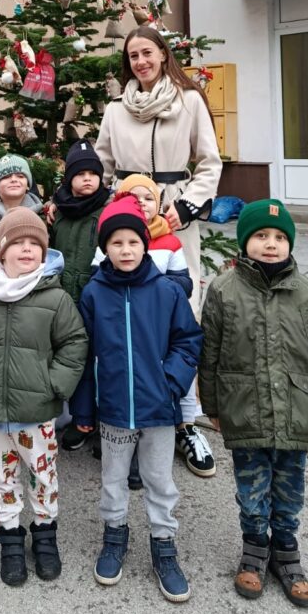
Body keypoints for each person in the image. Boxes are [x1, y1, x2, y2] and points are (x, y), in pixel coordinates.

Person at [94, 26, 222, 469]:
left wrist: (183, 209)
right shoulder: (115, 110)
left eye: (146, 52)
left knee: (177, 317)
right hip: (128, 227)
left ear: (163, 54)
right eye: (132, 56)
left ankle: (185, 424)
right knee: (129, 316)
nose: (140, 62)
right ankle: (126, 422)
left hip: (173, 222)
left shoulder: (189, 102)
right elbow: (104, 165)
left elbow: (209, 162)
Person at [199, 200, 308, 608]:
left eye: (279, 237)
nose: (271, 244)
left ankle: (287, 553)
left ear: (290, 244)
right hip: (244, 408)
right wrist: (213, 406)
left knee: (290, 486)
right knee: (252, 485)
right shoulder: (224, 291)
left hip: (297, 406)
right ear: (244, 243)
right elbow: (210, 353)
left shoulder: (307, 292)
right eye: (261, 236)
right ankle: (255, 549)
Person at [74, 195, 202, 603]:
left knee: (160, 480)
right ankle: (115, 536)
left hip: (159, 407)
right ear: (105, 249)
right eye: (116, 243)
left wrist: (171, 383)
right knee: (113, 479)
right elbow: (82, 350)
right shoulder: (94, 294)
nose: (125, 250)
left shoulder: (166, 291)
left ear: (145, 244)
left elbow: (188, 341)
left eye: (133, 242)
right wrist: (84, 406)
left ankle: (163, 544)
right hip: (113, 409)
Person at [0, 207, 87, 586]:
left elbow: (74, 343)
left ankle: (45, 536)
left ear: (44, 254)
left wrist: (55, 384)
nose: (27, 250)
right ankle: (10, 538)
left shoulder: (55, 298)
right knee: (3, 478)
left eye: (35, 244)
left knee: (43, 477)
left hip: (38, 413)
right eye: (18, 243)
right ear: (1, 250)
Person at [98, 175, 213, 478]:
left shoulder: (168, 239)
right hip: (123, 324)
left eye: (148, 198)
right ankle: (127, 451)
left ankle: (185, 427)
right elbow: (100, 278)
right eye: (134, 199)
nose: (142, 204)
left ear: (160, 203)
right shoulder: (110, 236)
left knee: (163, 382)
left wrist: (156, 288)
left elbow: (183, 281)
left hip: (160, 323)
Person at [50, 139, 111, 452]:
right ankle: (83, 418)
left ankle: (108, 422)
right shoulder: (58, 211)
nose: (88, 178)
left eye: (93, 173)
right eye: (80, 173)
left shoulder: (107, 210)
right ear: (68, 179)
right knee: (78, 359)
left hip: (99, 296)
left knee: (103, 359)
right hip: (65, 298)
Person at [0, 154, 43, 243]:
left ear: (28, 185)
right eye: (6, 177)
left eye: (20, 176)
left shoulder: (44, 216)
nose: (14, 180)